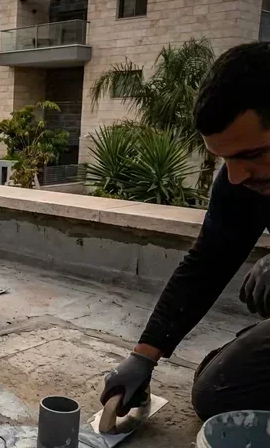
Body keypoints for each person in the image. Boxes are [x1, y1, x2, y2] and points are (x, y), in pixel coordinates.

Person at [100, 42, 270, 421]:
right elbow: (208, 262)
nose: (238, 175)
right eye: (226, 159)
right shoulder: (241, 181)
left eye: (252, 155)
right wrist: (144, 354)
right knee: (218, 393)